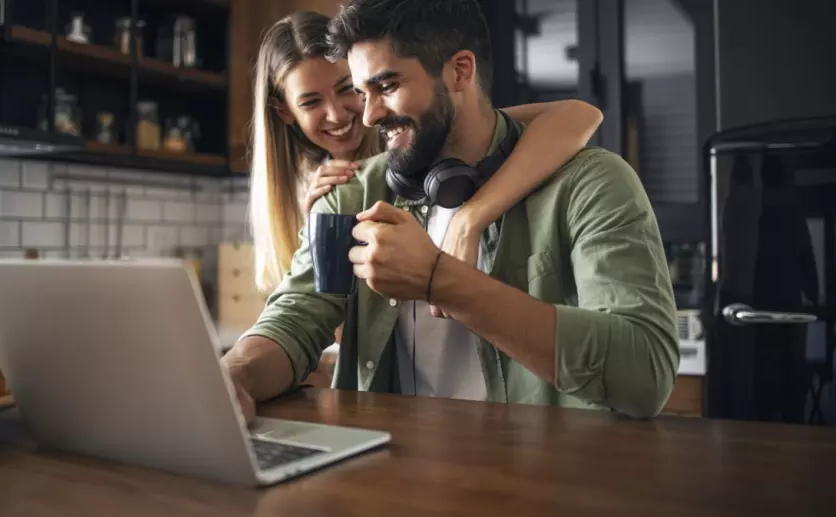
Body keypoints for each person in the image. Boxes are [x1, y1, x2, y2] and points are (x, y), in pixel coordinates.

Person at [226, 0, 679, 421]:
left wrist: (440, 281)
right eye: (364, 92)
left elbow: (645, 377)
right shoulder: (350, 193)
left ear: (461, 71)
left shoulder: (590, 183)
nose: (366, 117)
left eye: (386, 86)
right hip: (392, 481)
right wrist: (233, 376)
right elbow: (295, 318)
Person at [249, 11, 604, 295]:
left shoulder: (424, 134)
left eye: (348, 89)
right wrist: (320, 240)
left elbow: (580, 114)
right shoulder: (308, 191)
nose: (339, 114)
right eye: (311, 102)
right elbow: (341, 334)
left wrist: (471, 219)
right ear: (284, 111)